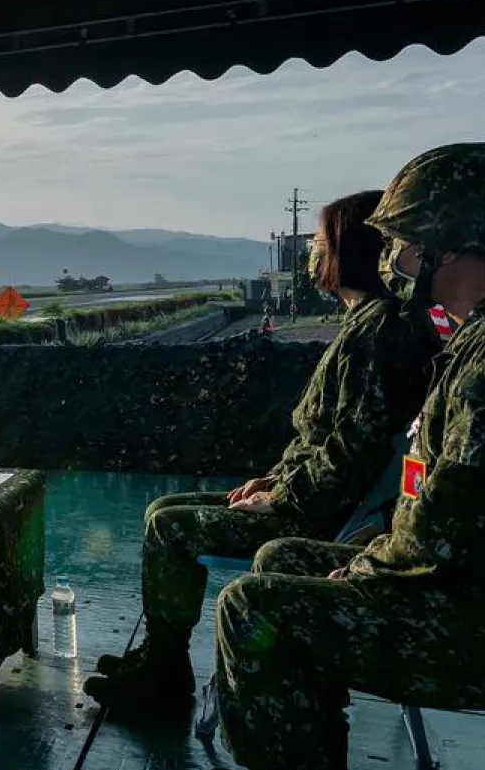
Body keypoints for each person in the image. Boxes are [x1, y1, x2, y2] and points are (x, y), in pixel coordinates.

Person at [209, 143, 485, 770]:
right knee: (280, 562)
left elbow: (447, 524)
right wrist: (376, 541)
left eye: (402, 240)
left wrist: (366, 562)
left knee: (251, 605)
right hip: (447, 576)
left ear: (447, 245)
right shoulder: (468, 344)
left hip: (465, 612)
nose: (390, 254)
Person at [82, 189, 441, 715]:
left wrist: (281, 498)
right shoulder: (366, 325)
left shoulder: (378, 333)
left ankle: (164, 679)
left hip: (319, 516)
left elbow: (352, 449)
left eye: (319, 244)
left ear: (347, 250)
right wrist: (271, 481)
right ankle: (161, 659)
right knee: (161, 508)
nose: (312, 256)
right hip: (307, 496)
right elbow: (324, 441)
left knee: (170, 527)